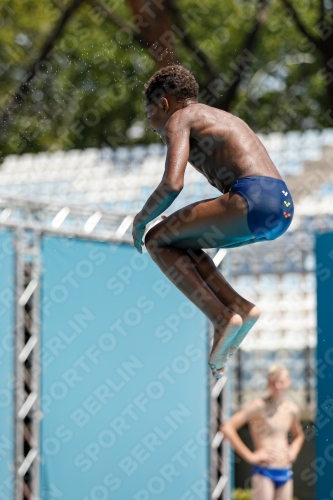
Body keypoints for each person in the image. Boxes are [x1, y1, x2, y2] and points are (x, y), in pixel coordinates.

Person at [132, 65, 294, 378]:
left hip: (252, 198)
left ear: (164, 104)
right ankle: (240, 308)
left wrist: (141, 221)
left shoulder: (180, 118)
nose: (151, 122)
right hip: (280, 206)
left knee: (155, 239)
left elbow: (172, 184)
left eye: (149, 111)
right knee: (179, 242)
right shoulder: (216, 116)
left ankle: (221, 317)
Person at [221, 365, 304, 500]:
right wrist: (250, 456)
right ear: (268, 384)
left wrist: (294, 449)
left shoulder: (292, 409)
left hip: (285, 471)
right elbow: (227, 428)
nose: (277, 386)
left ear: (289, 382)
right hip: (265, 472)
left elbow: (299, 436)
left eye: (281, 382)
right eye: (273, 382)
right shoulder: (259, 405)